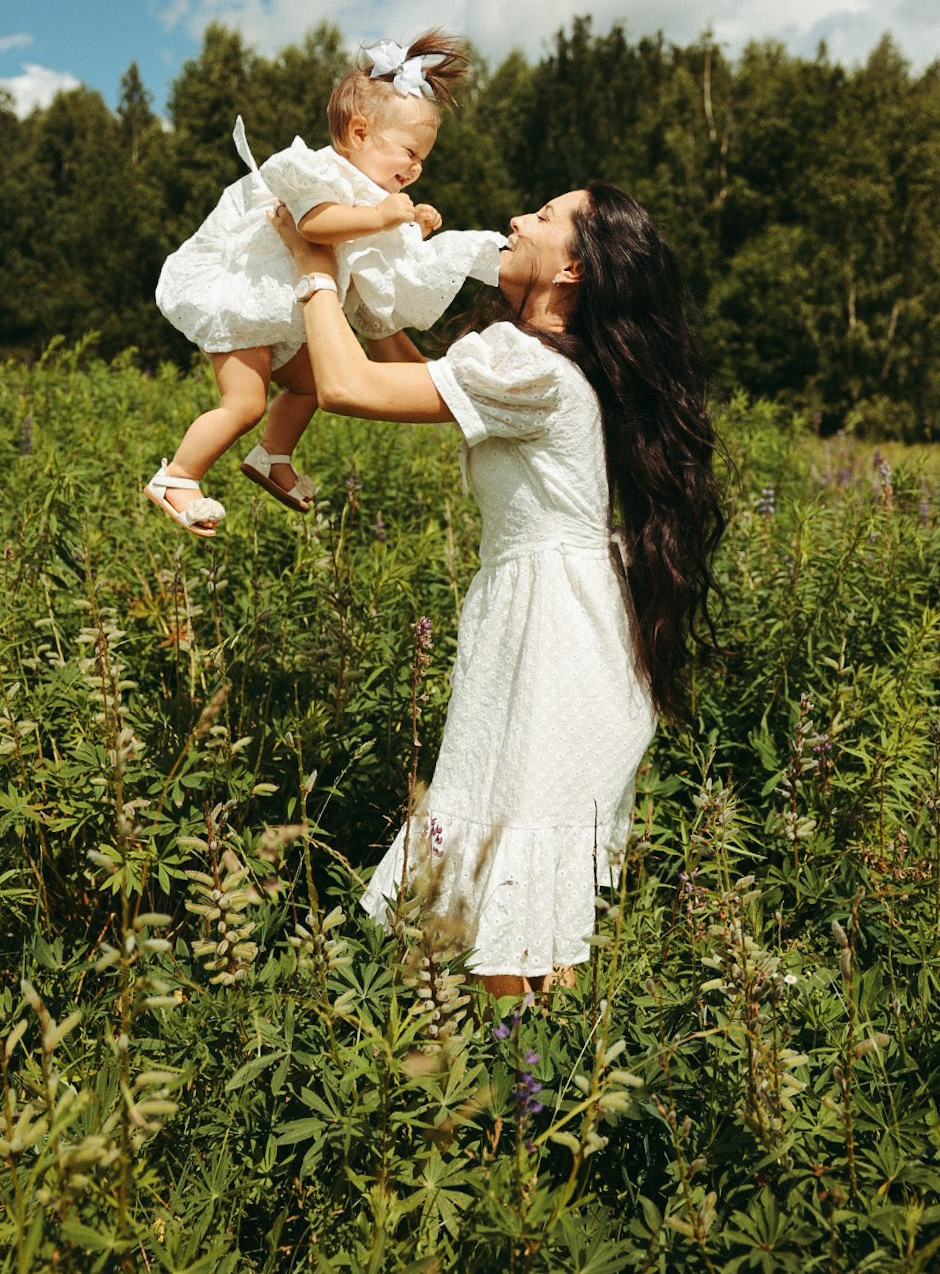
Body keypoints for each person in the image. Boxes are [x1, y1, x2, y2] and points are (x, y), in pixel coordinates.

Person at [269, 184, 724, 997]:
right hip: (570, 629)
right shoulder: (540, 363)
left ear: (575, 267)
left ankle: (513, 1094)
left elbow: (348, 387)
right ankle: (536, 1088)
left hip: (554, 639)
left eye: (543, 217)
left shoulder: (524, 363)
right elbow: (424, 383)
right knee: (526, 917)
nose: (515, 221)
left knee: (507, 923)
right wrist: (371, 298)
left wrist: (312, 256)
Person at [145, 31, 503, 536]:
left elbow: (370, 256)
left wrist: (410, 229)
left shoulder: (366, 194)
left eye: (424, 157)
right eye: (408, 152)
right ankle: (178, 477)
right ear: (359, 133)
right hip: (246, 302)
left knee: (314, 383)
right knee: (243, 404)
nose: (417, 167)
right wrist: (381, 216)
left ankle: (273, 455)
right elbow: (314, 226)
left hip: (285, 317)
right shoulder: (318, 172)